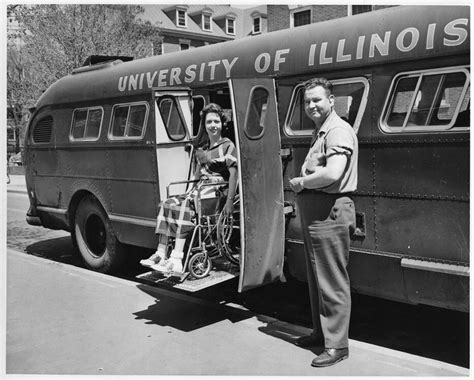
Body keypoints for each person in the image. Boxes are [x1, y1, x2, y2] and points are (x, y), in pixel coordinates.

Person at [289, 77, 358, 367]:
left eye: (317, 99)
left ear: (331, 100)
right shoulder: (322, 130)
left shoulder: (337, 130)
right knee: (318, 279)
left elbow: (332, 174)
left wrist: (301, 181)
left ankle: (337, 346)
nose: (311, 105)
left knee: (331, 281)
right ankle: (322, 334)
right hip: (317, 212)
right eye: (307, 101)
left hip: (330, 211)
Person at [140, 103, 238, 273]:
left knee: (185, 205)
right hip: (200, 189)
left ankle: (177, 258)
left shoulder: (228, 146)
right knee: (168, 202)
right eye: (209, 122)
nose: (213, 125)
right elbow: (197, 175)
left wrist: (230, 201)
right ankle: (161, 253)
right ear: (204, 125)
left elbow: (234, 175)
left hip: (216, 190)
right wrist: (189, 191)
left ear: (222, 123)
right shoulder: (203, 148)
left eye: (216, 121)